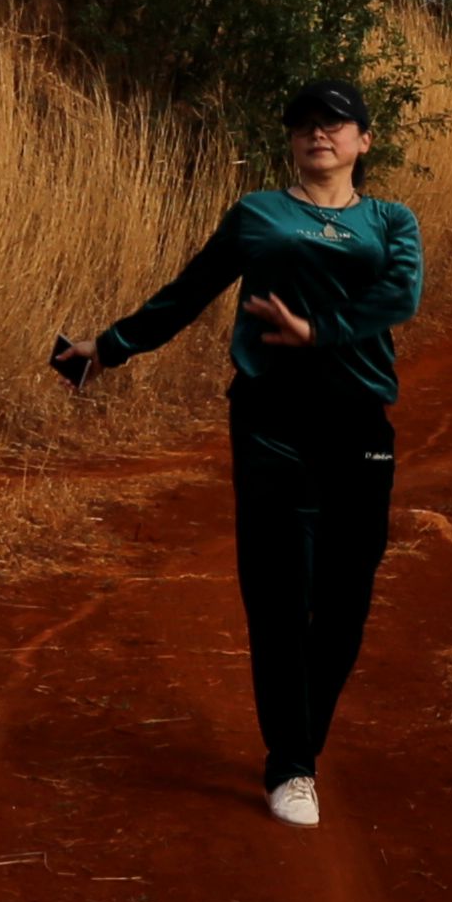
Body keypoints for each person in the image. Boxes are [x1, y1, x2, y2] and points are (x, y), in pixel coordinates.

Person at [54, 76, 421, 827]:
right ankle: (292, 764)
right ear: (290, 139)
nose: (318, 133)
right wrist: (110, 348)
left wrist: (322, 331)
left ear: (364, 140)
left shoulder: (391, 221)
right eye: (304, 123)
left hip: (358, 425)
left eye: (335, 122)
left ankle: (300, 741)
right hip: (269, 420)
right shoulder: (259, 214)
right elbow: (187, 293)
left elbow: (401, 297)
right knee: (280, 595)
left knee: (346, 601)